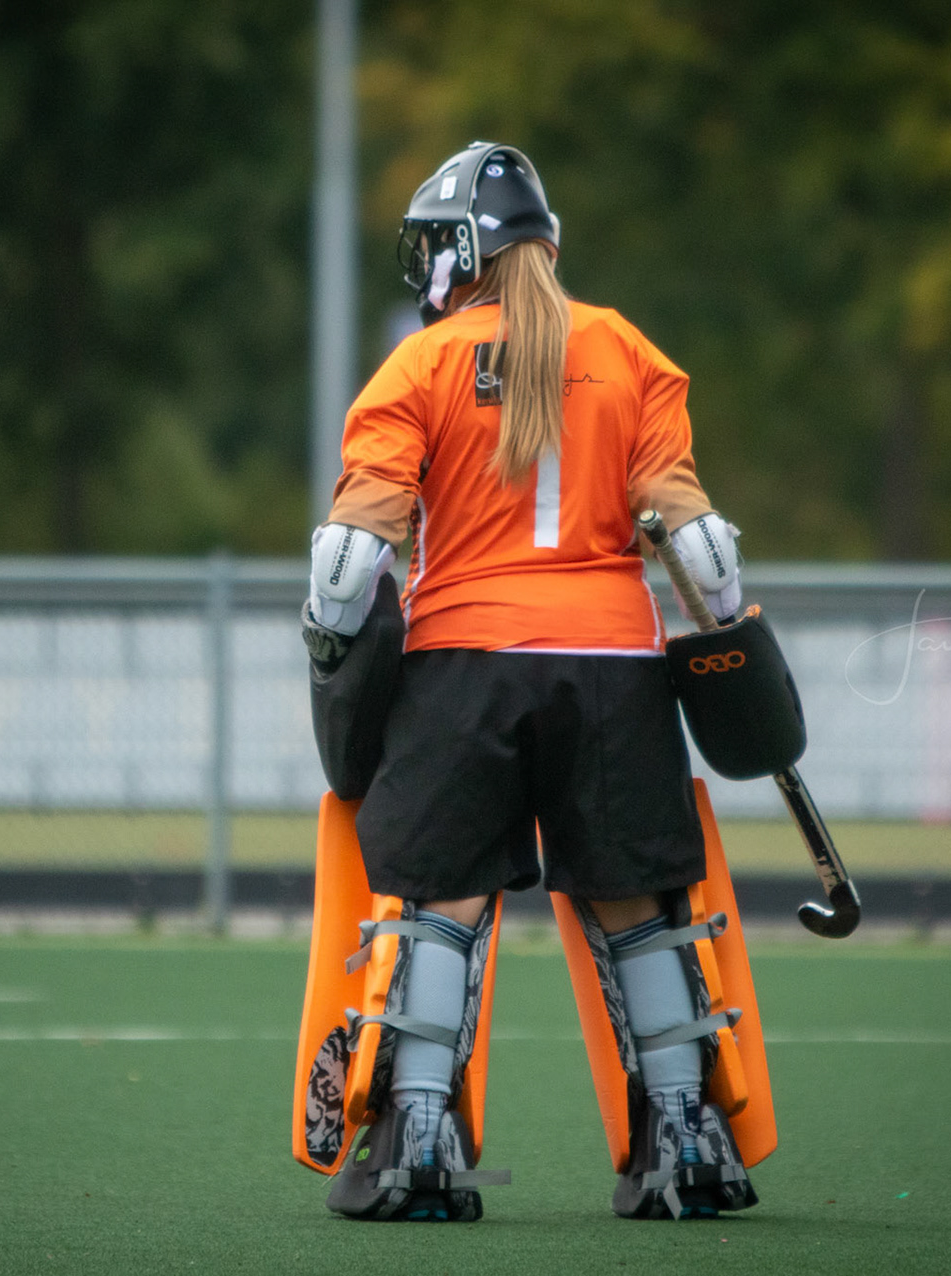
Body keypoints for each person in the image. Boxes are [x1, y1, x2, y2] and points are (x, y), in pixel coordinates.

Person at [302, 141, 754, 1221]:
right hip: (613, 669)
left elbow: (348, 566)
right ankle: (687, 1140)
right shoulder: (629, 351)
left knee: (442, 898)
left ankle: (420, 1140)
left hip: (464, 666)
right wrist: (734, 650)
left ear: (464, 251)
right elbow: (704, 557)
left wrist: (330, 652)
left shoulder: (419, 365)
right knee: (636, 902)